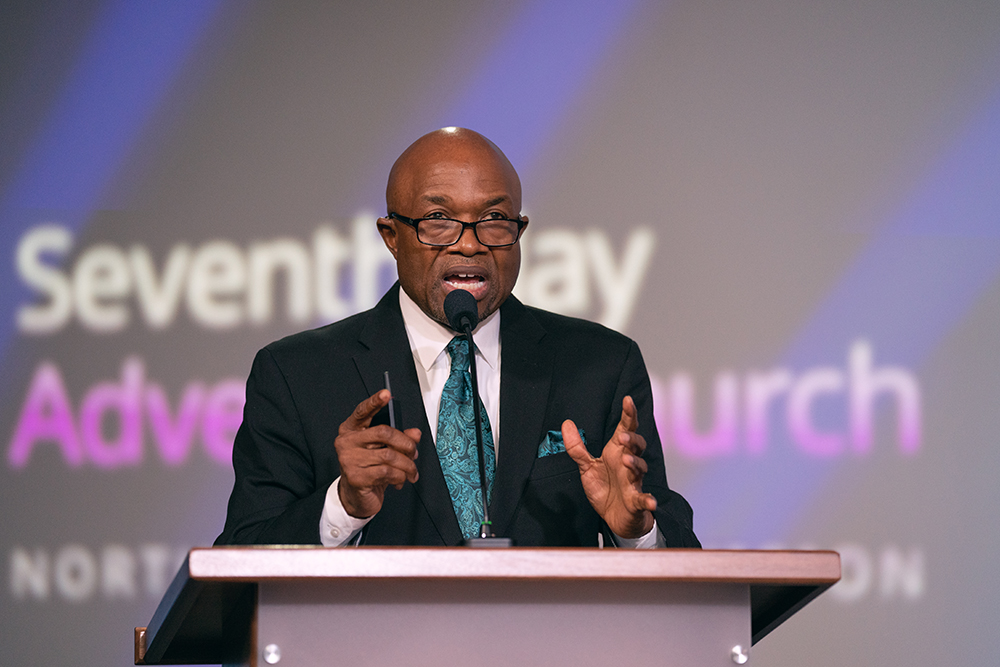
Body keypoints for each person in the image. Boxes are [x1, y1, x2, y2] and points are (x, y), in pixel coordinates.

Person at [215, 127, 699, 548]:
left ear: (520, 230)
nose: (469, 243)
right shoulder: (298, 374)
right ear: (391, 235)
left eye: (493, 220)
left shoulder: (600, 366)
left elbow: (678, 549)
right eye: (438, 221)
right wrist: (343, 506)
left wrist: (634, 531)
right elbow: (244, 551)